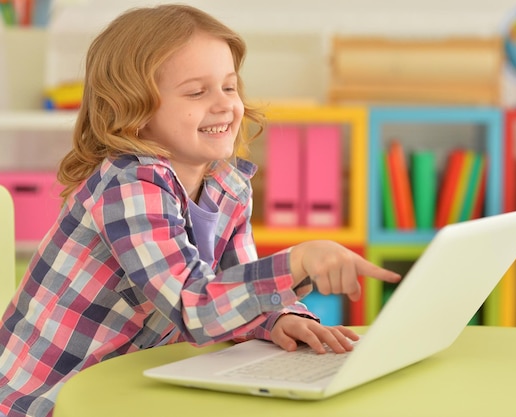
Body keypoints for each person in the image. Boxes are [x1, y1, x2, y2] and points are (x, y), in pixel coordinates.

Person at [0, 4, 401, 417]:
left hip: (129, 388)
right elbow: (195, 306)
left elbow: (234, 290)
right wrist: (296, 262)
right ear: (134, 111)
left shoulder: (228, 185)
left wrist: (280, 319)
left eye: (229, 87)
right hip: (46, 402)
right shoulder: (128, 186)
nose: (224, 104)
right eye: (196, 92)